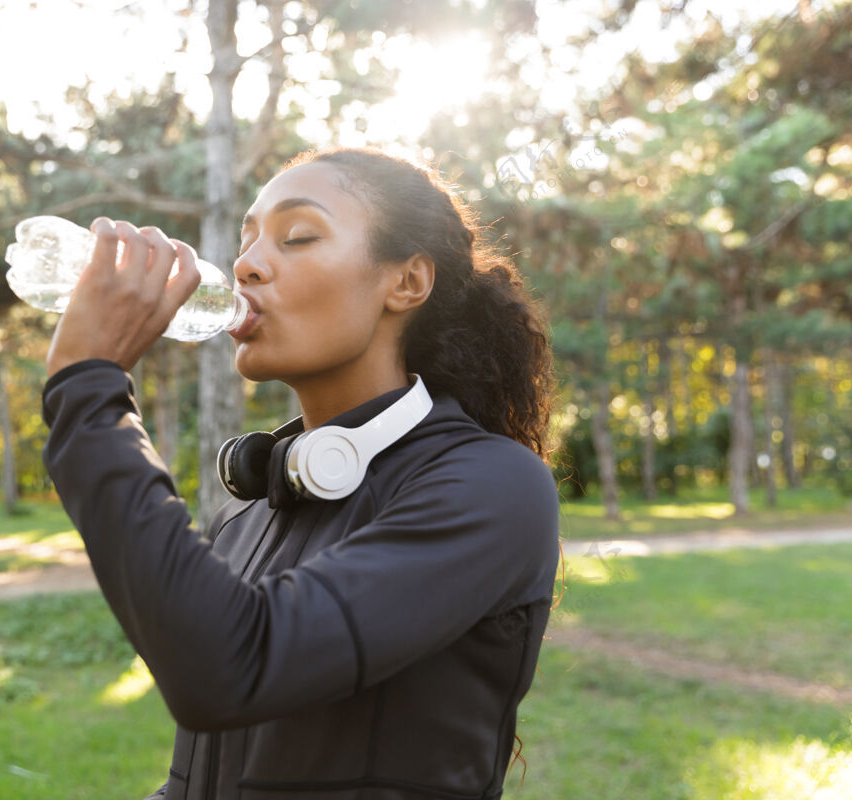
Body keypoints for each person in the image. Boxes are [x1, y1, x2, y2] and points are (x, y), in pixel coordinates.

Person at [39, 146, 562, 800]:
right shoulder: (249, 512)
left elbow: (229, 671)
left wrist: (90, 391)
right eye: (247, 240)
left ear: (407, 283)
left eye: (297, 237)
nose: (246, 265)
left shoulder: (492, 487)